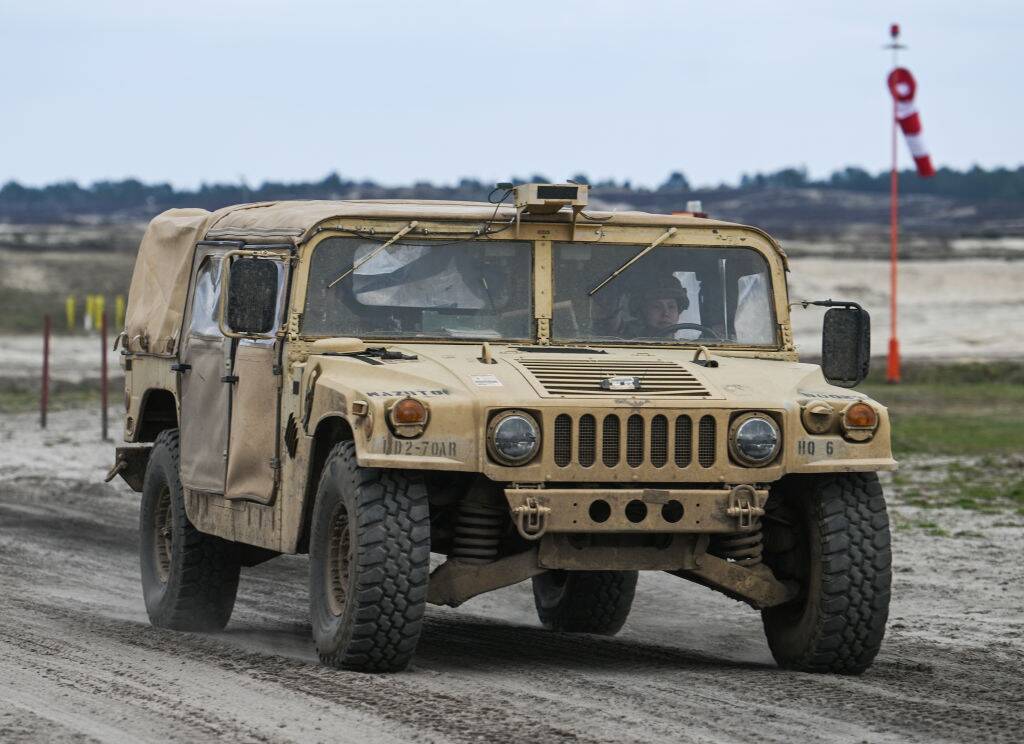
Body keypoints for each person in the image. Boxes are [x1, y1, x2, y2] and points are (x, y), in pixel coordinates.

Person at [622, 273, 689, 338]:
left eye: (671, 307)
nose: (666, 313)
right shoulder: (625, 344)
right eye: (657, 307)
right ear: (642, 311)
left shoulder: (692, 346)